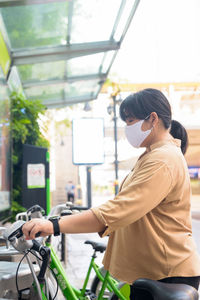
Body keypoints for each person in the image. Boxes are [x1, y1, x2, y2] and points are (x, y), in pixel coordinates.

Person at [22, 88, 200, 299]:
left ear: (153, 118)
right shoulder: (153, 155)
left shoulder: (162, 160)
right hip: (154, 269)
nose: (128, 128)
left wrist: (54, 225)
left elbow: (119, 209)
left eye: (131, 120)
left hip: (166, 272)